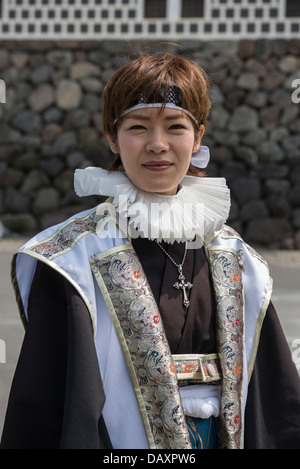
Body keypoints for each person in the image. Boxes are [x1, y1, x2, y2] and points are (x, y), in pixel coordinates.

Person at [1, 51, 300, 450]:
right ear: (112, 136)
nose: (157, 145)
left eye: (175, 126)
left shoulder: (238, 258)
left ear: (198, 137)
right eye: (138, 127)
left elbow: (275, 404)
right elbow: (49, 403)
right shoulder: (70, 260)